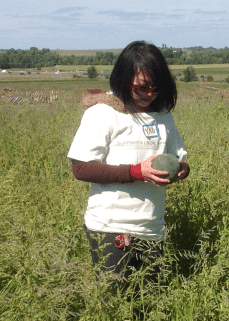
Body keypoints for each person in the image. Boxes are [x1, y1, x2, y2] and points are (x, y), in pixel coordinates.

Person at [68, 40, 190, 284]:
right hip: (111, 227)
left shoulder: (163, 116)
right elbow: (80, 168)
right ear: (123, 79)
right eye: (141, 88)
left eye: (155, 88)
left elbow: (179, 159)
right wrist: (137, 172)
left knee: (149, 303)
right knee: (116, 301)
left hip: (152, 228)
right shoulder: (102, 113)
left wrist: (181, 170)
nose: (149, 94)